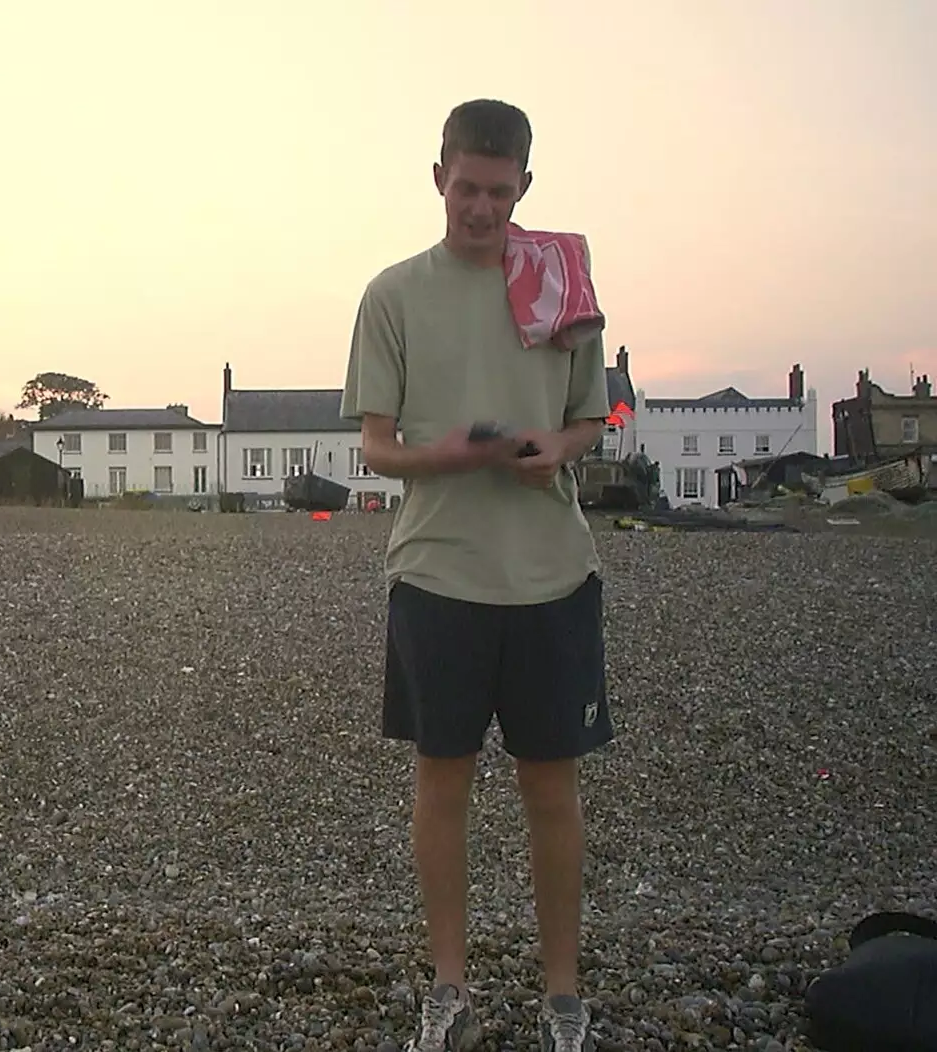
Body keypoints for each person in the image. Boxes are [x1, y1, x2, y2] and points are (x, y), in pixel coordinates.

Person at [338, 99, 613, 1052]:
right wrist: (450, 451)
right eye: (467, 189)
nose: (483, 209)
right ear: (438, 178)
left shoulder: (561, 282)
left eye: (501, 192)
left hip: (552, 575)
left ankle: (563, 997)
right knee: (440, 784)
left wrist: (556, 449)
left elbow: (593, 420)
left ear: (526, 187)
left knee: (553, 790)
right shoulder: (392, 296)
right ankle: (449, 989)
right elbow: (376, 448)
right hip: (438, 574)